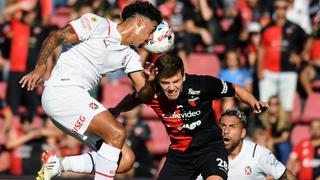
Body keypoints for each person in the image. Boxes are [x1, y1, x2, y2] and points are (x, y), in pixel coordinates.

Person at [19, 1, 162, 180]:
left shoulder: (131, 55)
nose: (151, 37)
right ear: (140, 21)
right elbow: (56, 37)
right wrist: (40, 66)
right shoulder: (97, 24)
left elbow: (145, 95)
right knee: (117, 133)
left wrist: (150, 83)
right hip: (62, 92)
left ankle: (59, 165)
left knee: (125, 160)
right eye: (152, 28)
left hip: (73, 103)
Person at [110, 53, 269, 180]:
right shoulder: (152, 93)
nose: (171, 88)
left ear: (183, 76)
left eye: (176, 81)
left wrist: (254, 102)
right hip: (180, 155)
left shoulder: (202, 85)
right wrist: (116, 110)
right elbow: (132, 99)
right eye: (166, 83)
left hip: (210, 149)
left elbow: (235, 90)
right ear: (159, 80)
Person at [219, 109, 296, 180]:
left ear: (242, 133)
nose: (225, 131)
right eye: (223, 126)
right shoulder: (211, 153)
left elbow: (287, 176)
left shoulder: (259, 153)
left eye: (232, 126)